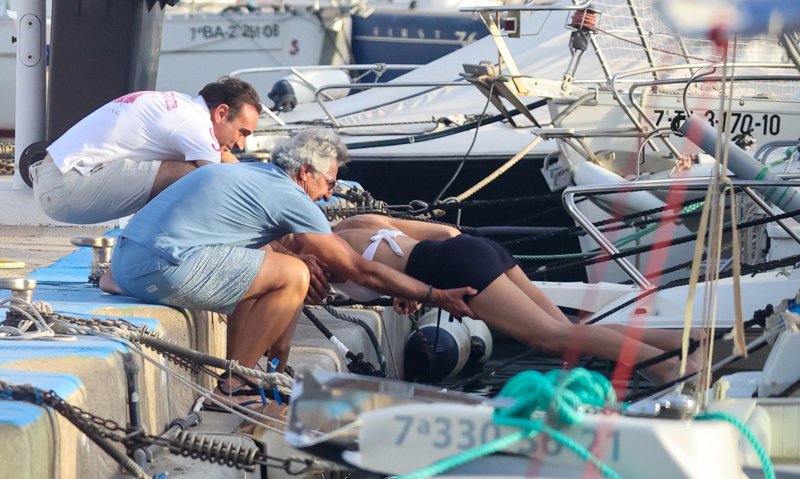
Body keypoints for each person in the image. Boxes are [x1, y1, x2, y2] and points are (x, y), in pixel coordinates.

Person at [106, 128, 476, 397]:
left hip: (127, 266)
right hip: (160, 269)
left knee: (276, 268)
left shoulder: (251, 175)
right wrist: (433, 295)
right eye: (329, 183)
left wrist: (279, 365)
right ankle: (236, 384)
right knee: (295, 274)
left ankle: (251, 373)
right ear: (305, 172)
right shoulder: (290, 196)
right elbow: (359, 270)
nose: (329, 195)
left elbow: (271, 263)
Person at [289, 214, 700, 384]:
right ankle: (683, 342)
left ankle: (668, 368)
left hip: (458, 268)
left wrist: (423, 290)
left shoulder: (319, 249)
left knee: (551, 339)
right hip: (475, 249)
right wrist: (406, 285)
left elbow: (368, 274)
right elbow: (446, 232)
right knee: (569, 332)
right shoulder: (354, 223)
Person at [30, 77, 262, 224]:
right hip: (64, 188)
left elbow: (224, 160)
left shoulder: (185, 108)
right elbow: (225, 183)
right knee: (194, 178)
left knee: (196, 175)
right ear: (221, 113)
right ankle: (146, 259)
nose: (241, 144)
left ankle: (133, 256)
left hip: (55, 178)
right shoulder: (196, 126)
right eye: (242, 132)